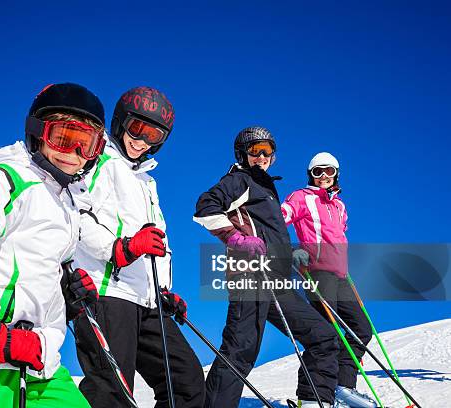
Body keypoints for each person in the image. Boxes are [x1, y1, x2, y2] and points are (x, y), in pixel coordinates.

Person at [0, 83, 104, 407]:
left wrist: (68, 290)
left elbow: (41, 268)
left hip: (39, 357)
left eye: (86, 144)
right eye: (63, 138)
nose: (73, 154)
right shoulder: (7, 180)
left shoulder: (68, 204)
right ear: (38, 132)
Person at [72, 86, 205, 407]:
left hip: (146, 302)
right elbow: (76, 214)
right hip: (106, 293)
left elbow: (157, 240)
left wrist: (162, 289)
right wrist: (121, 248)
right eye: (137, 129)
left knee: (186, 383)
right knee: (111, 390)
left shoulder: (146, 181)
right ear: (121, 121)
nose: (142, 141)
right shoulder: (97, 160)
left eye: (153, 136)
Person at [194, 127, 340, 408]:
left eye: (267, 150)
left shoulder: (265, 188)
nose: (261, 156)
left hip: (277, 279)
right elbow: (205, 207)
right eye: (255, 150)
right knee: (241, 349)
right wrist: (235, 238)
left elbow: (267, 232)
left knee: (324, 337)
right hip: (251, 275)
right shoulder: (239, 180)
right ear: (242, 153)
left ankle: (313, 402)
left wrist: (290, 252)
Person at [282, 152, 376, 408]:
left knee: (361, 329)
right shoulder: (300, 197)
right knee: (326, 334)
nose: (324, 176)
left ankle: (342, 387)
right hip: (317, 274)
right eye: (317, 171)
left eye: (329, 171)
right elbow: (278, 222)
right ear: (310, 174)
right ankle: (310, 395)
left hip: (342, 276)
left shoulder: (339, 206)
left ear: (336, 174)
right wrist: (291, 250)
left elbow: (339, 236)